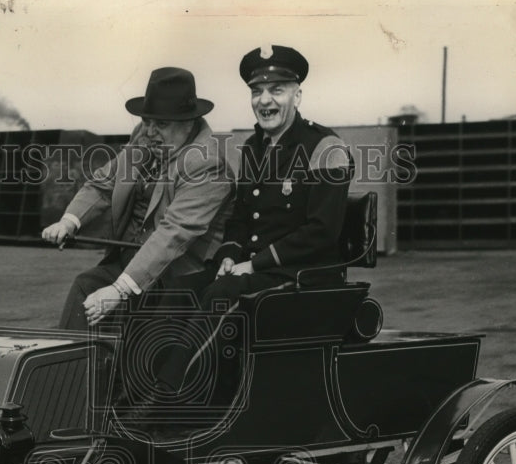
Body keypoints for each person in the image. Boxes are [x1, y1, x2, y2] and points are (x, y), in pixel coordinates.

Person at [150, 44, 356, 399]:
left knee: (220, 295)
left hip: (304, 277)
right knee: (181, 289)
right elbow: (243, 217)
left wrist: (253, 264)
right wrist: (230, 255)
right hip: (259, 270)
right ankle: (147, 389)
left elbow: (321, 232)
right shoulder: (253, 148)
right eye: (257, 91)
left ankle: (167, 400)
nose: (265, 100)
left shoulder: (326, 147)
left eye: (277, 90)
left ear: (298, 94)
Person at [42, 67, 232, 330]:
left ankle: (110, 368)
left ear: (188, 122)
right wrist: (69, 222)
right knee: (86, 285)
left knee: (132, 326)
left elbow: (173, 234)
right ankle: (74, 369)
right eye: (146, 121)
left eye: (161, 124)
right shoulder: (145, 139)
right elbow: (103, 182)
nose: (150, 131)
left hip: (177, 276)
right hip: (130, 262)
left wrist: (118, 290)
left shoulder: (207, 163)